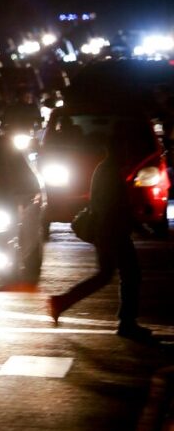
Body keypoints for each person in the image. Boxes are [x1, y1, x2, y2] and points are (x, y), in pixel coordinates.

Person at [48, 127, 151, 340]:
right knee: (131, 275)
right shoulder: (110, 171)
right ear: (117, 148)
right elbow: (115, 206)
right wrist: (137, 227)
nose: (129, 151)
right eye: (125, 147)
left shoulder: (106, 169)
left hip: (107, 231)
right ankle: (127, 322)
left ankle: (62, 302)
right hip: (113, 232)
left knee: (105, 275)